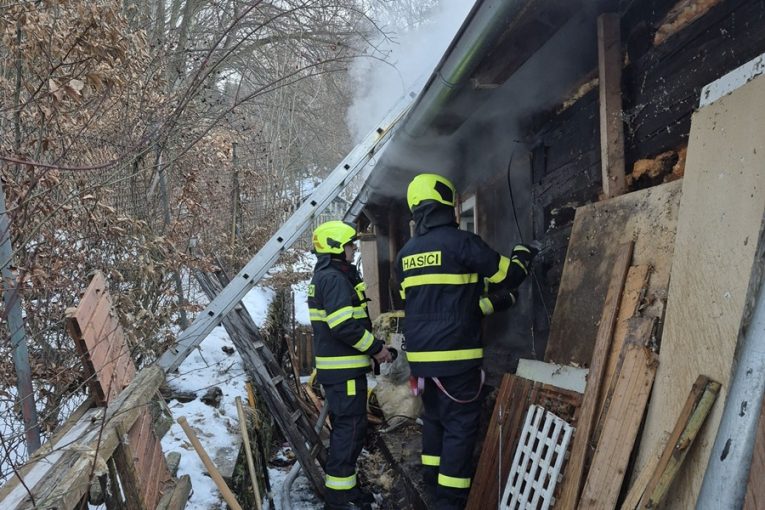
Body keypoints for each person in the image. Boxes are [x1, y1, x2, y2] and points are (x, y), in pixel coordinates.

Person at [396, 173, 535, 510]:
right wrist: (522, 254)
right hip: (457, 360)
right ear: (446, 204)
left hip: (422, 362)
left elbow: (431, 300)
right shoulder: (461, 243)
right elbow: (509, 275)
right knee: (460, 427)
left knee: (434, 419)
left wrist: (486, 301)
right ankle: (450, 501)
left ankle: (431, 481)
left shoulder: (406, 254)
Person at [308, 220, 393, 510]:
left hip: (342, 370)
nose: (353, 249)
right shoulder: (334, 279)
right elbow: (344, 326)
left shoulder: (328, 276)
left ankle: (348, 489)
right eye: (349, 245)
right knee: (349, 431)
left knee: (350, 430)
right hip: (343, 372)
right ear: (335, 247)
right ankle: (338, 499)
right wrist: (377, 349)